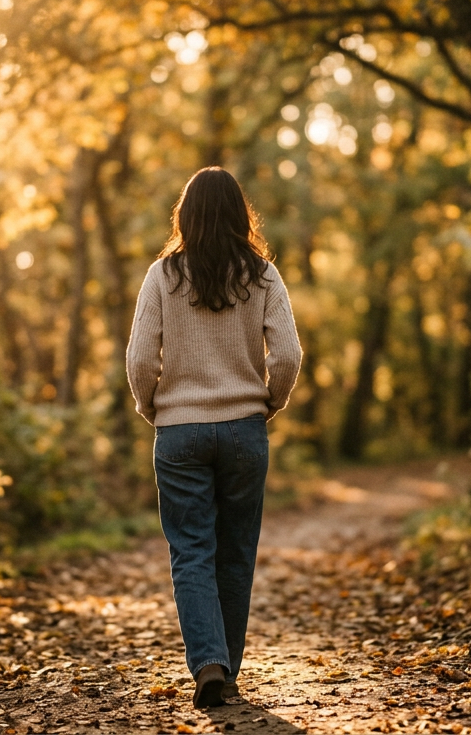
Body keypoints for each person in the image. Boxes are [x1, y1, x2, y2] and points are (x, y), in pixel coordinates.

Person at [126, 166, 303, 709]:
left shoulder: (162, 275)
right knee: (235, 553)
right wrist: (270, 402)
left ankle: (208, 663)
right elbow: (288, 355)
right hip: (245, 429)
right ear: (239, 215)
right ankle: (226, 672)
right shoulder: (262, 275)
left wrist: (151, 406)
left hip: (179, 431)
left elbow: (139, 359)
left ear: (185, 216)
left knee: (191, 551)